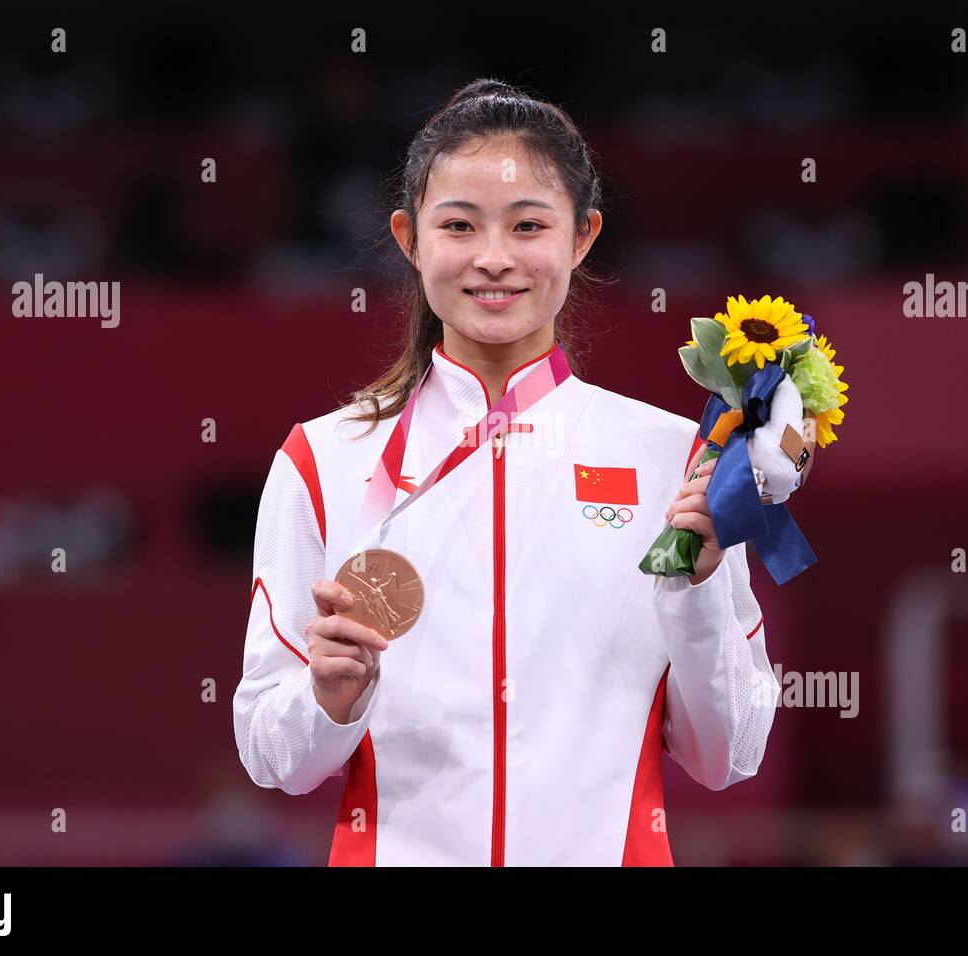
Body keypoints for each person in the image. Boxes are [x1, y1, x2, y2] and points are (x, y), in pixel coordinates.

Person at [233, 78, 783, 866]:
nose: (495, 258)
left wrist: (696, 596)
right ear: (409, 237)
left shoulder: (674, 461)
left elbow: (730, 755)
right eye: (459, 225)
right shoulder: (323, 461)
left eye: (529, 225)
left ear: (583, 236)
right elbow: (269, 753)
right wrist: (329, 702)